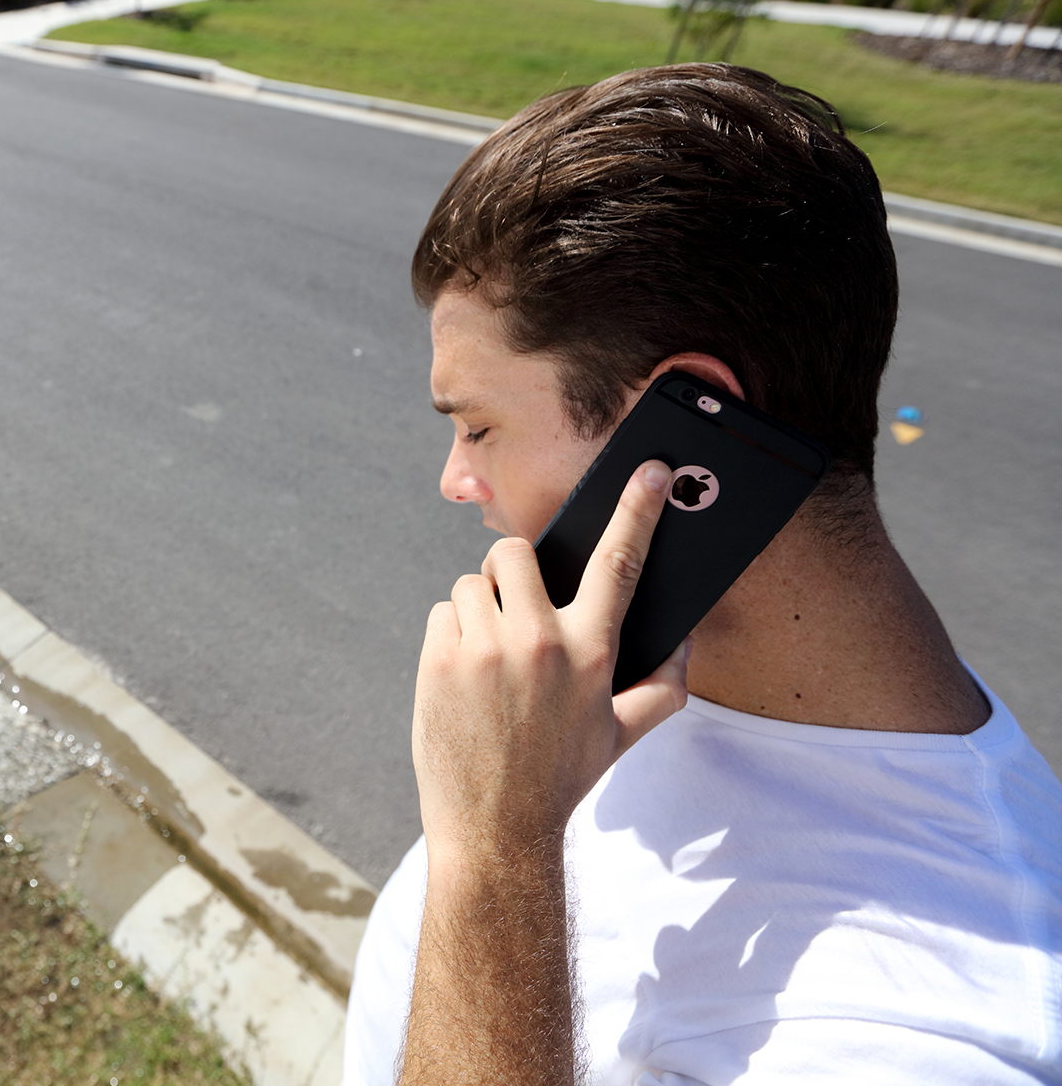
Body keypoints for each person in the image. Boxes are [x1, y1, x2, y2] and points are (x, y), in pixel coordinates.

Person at [344, 63, 1062, 1085]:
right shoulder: (581, 691)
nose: (456, 479)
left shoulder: (936, 1034)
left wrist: (497, 855)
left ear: (684, 448)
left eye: (479, 426)